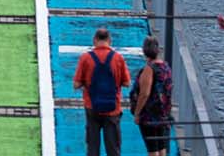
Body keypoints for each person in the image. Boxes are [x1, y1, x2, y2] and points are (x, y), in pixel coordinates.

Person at [74, 28, 131, 156]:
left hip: (92, 107)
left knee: (93, 149)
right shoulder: (118, 58)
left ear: (94, 40)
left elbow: (76, 84)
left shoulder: (85, 58)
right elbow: (127, 83)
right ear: (109, 41)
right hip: (113, 109)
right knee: (113, 149)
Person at [131, 37, 174, 156]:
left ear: (145, 51)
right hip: (163, 113)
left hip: (150, 116)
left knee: (152, 149)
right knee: (162, 147)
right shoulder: (166, 67)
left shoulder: (149, 69)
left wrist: (137, 113)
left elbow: (144, 94)